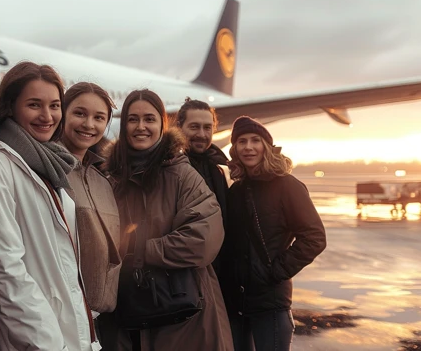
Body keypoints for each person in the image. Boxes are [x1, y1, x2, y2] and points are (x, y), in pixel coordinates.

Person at [0, 62, 99, 351]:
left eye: (54, 105)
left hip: (65, 330)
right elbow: (6, 270)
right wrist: (46, 344)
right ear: (11, 106)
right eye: (34, 105)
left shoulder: (45, 162)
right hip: (38, 339)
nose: (47, 116)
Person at [102, 89, 233, 351]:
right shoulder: (109, 177)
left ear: (162, 124)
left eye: (149, 119)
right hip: (125, 313)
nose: (141, 127)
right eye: (133, 119)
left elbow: (203, 239)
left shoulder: (183, 174)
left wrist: (140, 250)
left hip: (181, 315)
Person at [221, 116, 327, 351]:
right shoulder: (236, 190)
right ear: (235, 150)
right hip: (236, 303)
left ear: (266, 147)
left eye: (255, 140)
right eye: (242, 142)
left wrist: (275, 272)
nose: (248, 147)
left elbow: (314, 237)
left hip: (270, 303)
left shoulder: (287, 185)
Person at [60, 82, 122, 323]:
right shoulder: (47, 169)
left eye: (99, 118)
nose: (89, 124)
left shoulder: (102, 179)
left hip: (99, 318)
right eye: (80, 113)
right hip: (63, 314)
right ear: (62, 114)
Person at [176, 97, 229, 271]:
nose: (201, 134)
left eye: (207, 127)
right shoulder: (170, 169)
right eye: (194, 127)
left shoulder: (219, 170)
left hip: (217, 270)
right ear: (179, 128)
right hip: (183, 270)